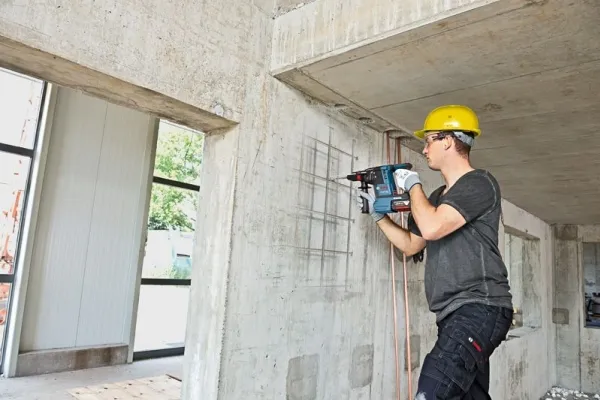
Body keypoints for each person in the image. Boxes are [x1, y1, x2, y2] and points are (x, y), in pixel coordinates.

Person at [359, 105, 513, 399]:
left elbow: (431, 228)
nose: (425, 148)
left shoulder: (480, 182)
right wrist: (379, 217)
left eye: (429, 140)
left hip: (480, 307)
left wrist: (413, 184)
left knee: (432, 390)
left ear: (449, 141)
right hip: (452, 314)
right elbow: (412, 244)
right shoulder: (436, 199)